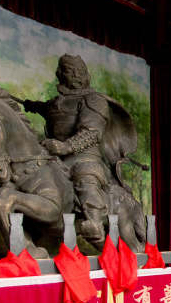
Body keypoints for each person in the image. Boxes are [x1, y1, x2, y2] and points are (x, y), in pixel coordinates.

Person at [23, 55, 114, 246]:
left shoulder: (93, 100)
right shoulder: (57, 102)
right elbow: (47, 109)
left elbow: (92, 133)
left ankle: (94, 222)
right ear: (60, 74)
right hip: (55, 157)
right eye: (69, 71)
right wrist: (31, 106)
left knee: (85, 176)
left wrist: (66, 147)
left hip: (84, 157)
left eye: (79, 71)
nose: (75, 75)